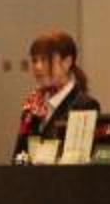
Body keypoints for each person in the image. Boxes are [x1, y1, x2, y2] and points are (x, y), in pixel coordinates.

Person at [12, 30, 98, 161]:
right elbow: (19, 156)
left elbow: (80, 160)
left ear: (67, 62)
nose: (38, 67)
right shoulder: (33, 105)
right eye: (34, 60)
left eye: (45, 60)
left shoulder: (84, 105)